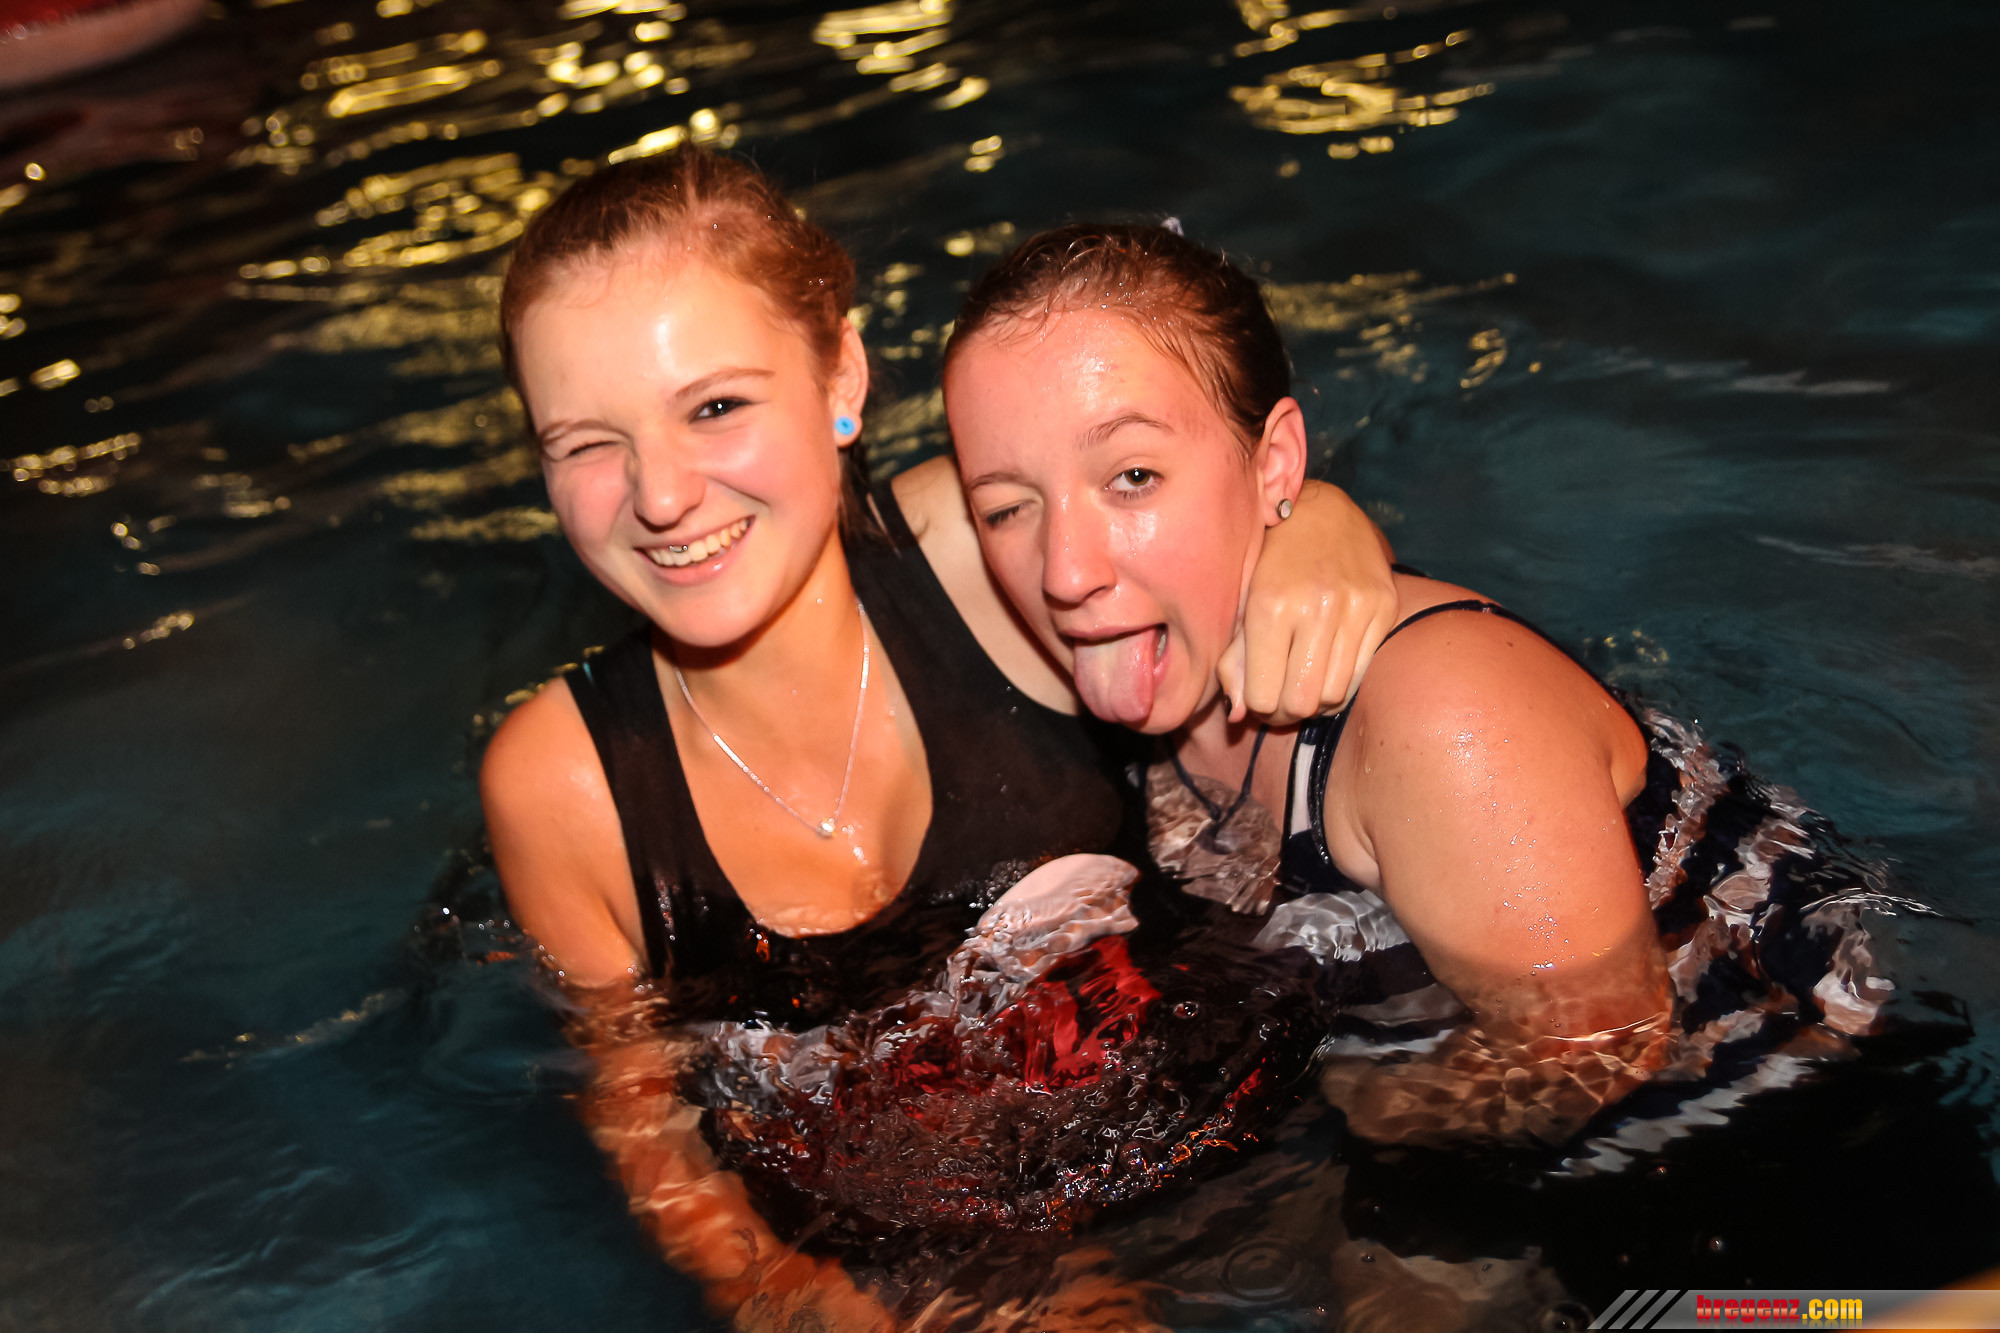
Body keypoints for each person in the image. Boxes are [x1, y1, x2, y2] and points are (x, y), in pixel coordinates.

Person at [476, 152, 1401, 1328]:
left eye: (714, 407)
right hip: (929, 1284)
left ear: (841, 375)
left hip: (1266, 1149)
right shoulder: (563, 785)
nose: (659, 495)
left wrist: (1314, 526)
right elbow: (654, 1145)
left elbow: (1189, 518)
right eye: (584, 443)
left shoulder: (983, 558)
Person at [942, 222, 1681, 1146]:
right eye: (1007, 507)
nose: (1065, 570)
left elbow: (1600, 1045)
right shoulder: (1137, 698)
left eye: (1132, 476)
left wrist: (1305, 1151)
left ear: (1275, 464)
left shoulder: (1441, 707)